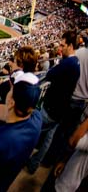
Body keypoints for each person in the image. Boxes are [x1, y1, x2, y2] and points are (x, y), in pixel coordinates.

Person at [26, 30, 80, 174]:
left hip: (50, 108)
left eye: (62, 45)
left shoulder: (68, 63)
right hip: (61, 109)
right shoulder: (76, 62)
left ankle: (22, 158)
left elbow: (49, 75)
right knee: (47, 140)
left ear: (70, 46)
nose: (59, 48)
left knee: (31, 131)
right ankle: (34, 164)